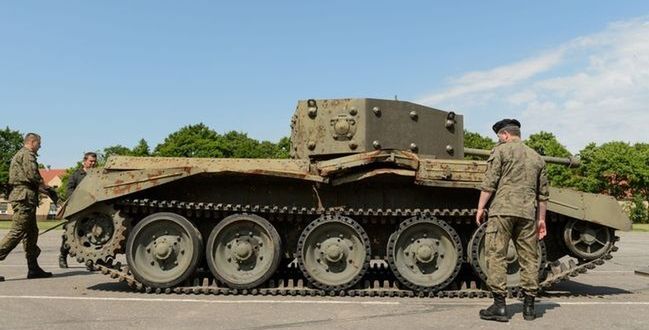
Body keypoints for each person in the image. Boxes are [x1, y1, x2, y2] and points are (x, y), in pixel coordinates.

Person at [475, 119, 549, 322]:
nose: (499, 139)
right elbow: (543, 195)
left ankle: (499, 307)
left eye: (499, 136)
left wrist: (481, 207)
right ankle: (529, 309)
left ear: (505, 134)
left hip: (503, 211)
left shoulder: (501, 151)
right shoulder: (537, 157)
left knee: (496, 255)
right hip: (527, 213)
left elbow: (489, 183)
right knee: (529, 259)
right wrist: (541, 220)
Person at [0, 133, 54, 281]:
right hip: (24, 198)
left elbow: (29, 180)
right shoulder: (27, 154)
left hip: (26, 197)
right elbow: (32, 176)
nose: (40, 146)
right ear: (32, 142)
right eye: (39, 143)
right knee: (17, 232)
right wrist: (46, 187)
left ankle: (33, 268)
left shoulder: (21, 154)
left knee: (31, 233)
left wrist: (45, 190)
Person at [58, 151, 97, 268]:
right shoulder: (76, 175)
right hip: (76, 209)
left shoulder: (97, 175)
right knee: (69, 236)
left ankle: (89, 262)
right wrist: (78, 198)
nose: (93, 164)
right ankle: (62, 256)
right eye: (91, 161)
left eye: (95, 161)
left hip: (92, 209)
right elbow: (69, 189)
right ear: (84, 162)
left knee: (91, 236)